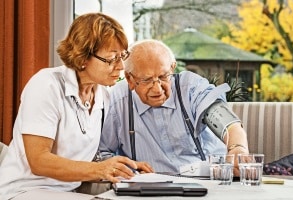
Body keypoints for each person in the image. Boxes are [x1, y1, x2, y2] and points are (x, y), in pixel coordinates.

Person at [0, 13, 153, 200]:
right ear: (82, 58)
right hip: (23, 191)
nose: (121, 66)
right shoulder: (46, 85)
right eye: (112, 59)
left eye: (123, 56)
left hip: (67, 192)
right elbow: (38, 161)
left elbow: (88, 157)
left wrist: (125, 169)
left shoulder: (103, 95)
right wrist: (100, 169)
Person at [99, 39, 249, 175]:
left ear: (172, 68)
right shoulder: (118, 100)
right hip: (151, 189)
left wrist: (237, 147)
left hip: (207, 180)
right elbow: (103, 153)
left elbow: (223, 118)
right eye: (146, 80)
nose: (158, 89)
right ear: (130, 79)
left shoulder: (191, 87)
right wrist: (127, 171)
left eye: (164, 77)